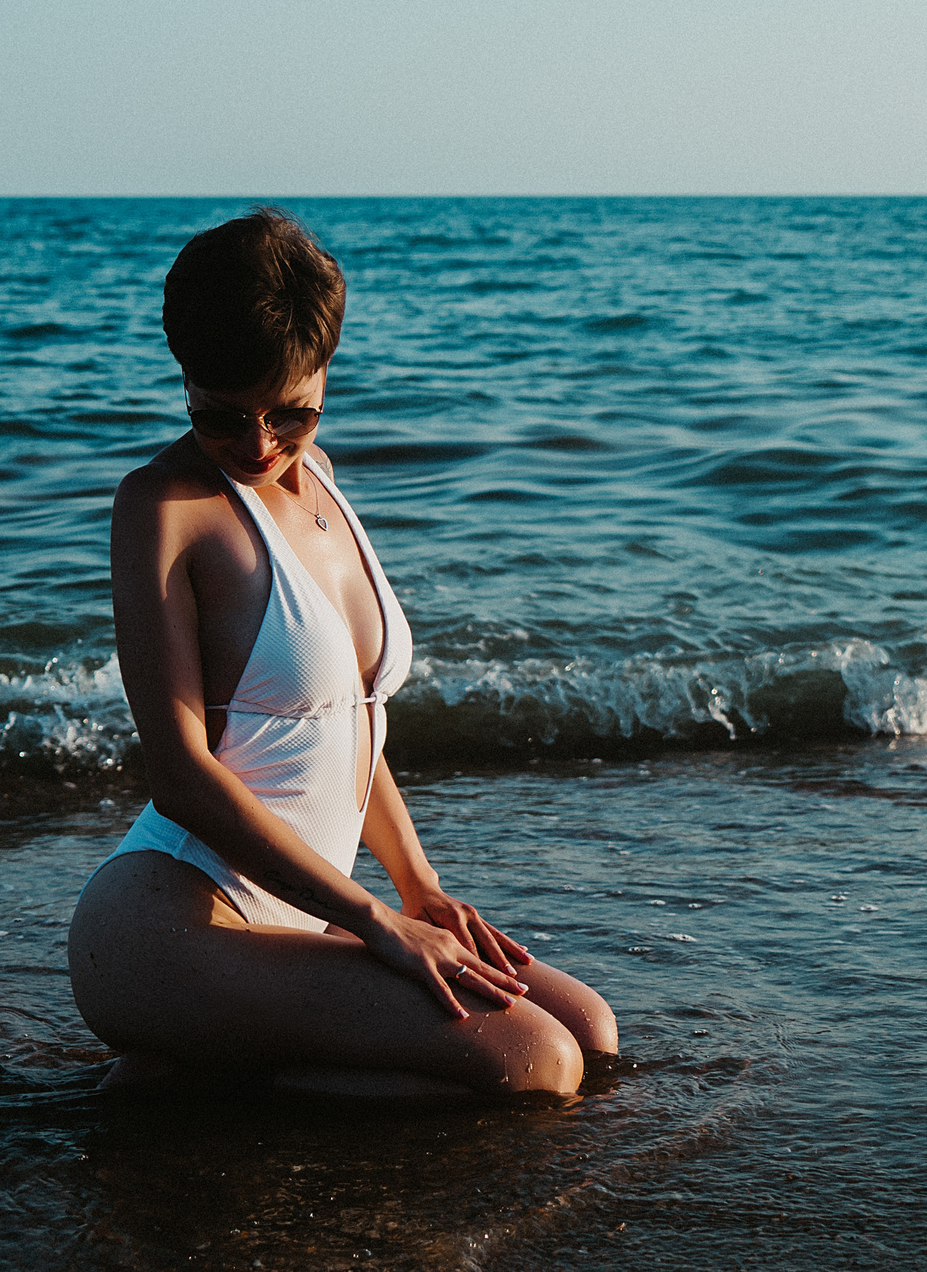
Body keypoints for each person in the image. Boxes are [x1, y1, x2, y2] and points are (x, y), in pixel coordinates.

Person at [67, 209, 617, 1098]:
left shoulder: (321, 483)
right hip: (174, 922)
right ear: (184, 379)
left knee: (591, 1032)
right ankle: (203, 1073)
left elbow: (348, 723)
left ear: (326, 371)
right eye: (219, 416)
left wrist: (419, 885)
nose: (257, 445)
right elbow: (179, 772)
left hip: (305, 912)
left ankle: (203, 1064)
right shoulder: (162, 507)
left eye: (291, 412)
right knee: (538, 1067)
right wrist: (372, 919)